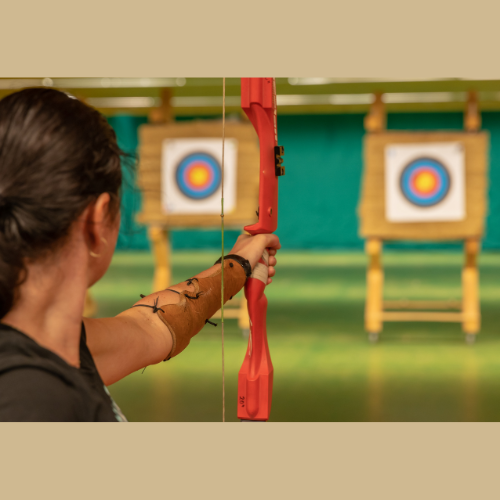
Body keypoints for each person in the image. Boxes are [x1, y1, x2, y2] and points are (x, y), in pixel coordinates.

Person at [0, 88, 280, 422]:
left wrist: (237, 265)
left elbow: (152, 324)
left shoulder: (60, 344)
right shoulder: (35, 403)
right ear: (97, 219)